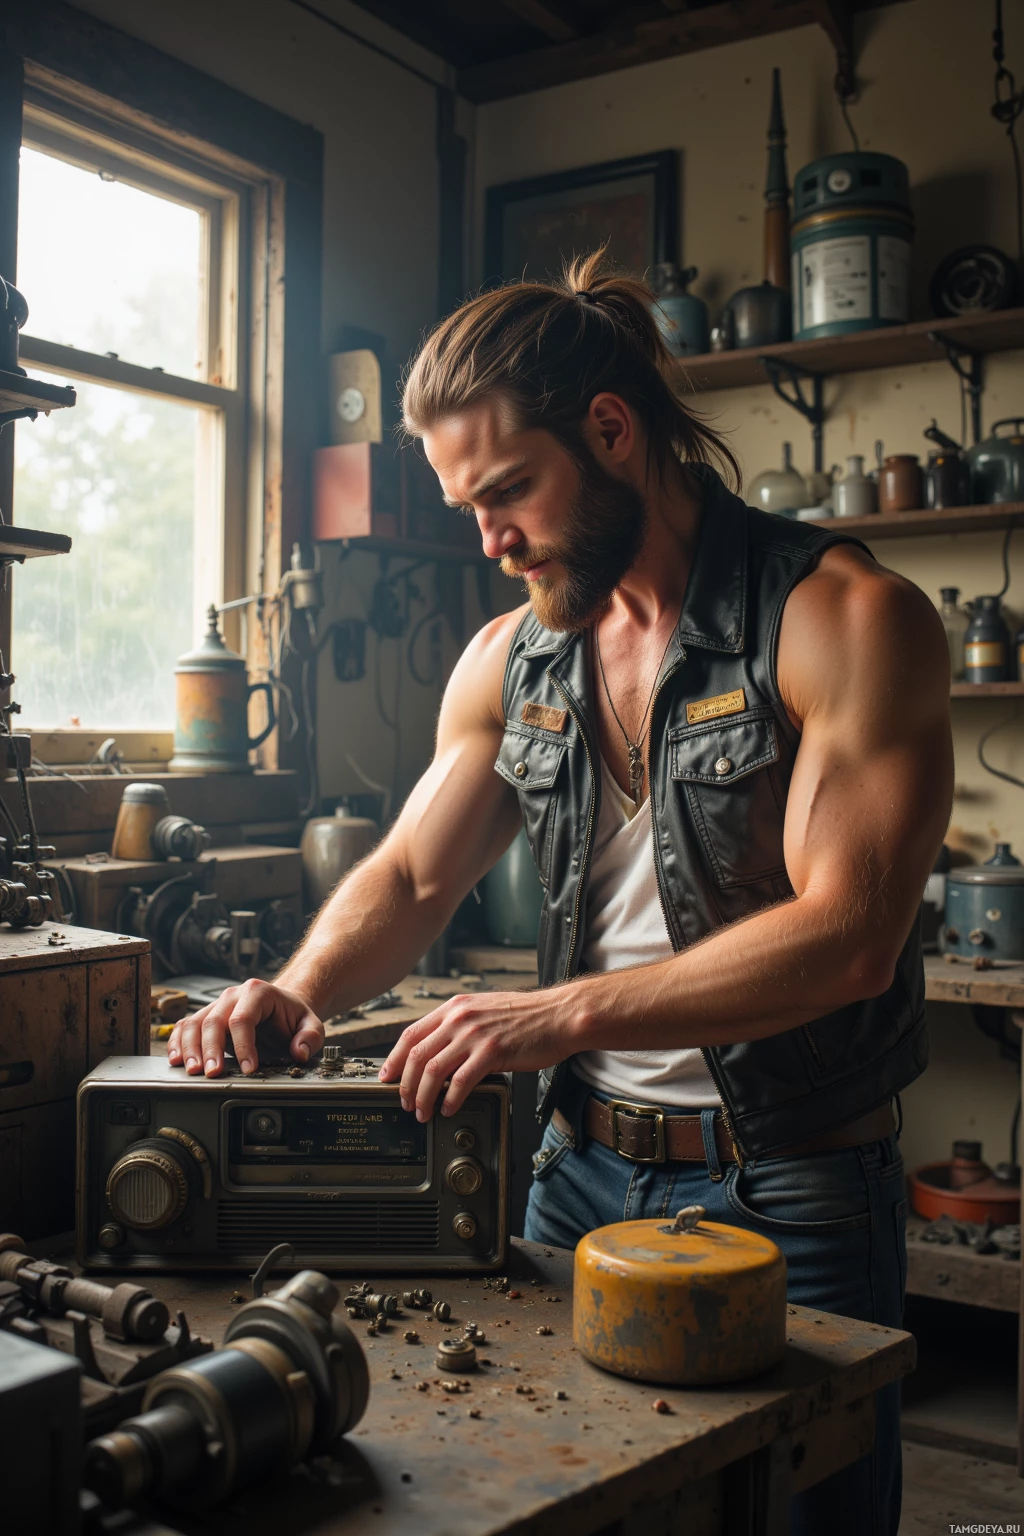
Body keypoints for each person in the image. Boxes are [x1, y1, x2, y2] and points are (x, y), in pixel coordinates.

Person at [168, 251, 952, 1535]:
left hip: (789, 1179)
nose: (488, 540)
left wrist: (560, 1014)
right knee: (555, 1500)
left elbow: (848, 936)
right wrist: (294, 989)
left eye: (509, 492)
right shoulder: (511, 655)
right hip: (574, 1173)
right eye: (463, 504)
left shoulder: (840, 618)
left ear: (610, 432)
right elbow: (418, 873)